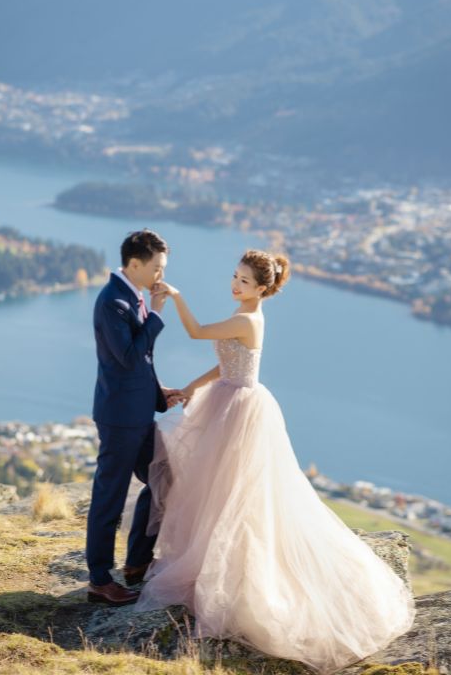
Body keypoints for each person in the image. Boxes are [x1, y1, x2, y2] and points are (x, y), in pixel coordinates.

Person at [135, 249, 414, 674]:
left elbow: (196, 332)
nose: (235, 285)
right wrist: (192, 387)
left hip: (240, 413)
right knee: (217, 492)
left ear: (263, 289)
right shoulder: (243, 315)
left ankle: (238, 578)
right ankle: (213, 563)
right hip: (228, 399)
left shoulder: (247, 319)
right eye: (234, 276)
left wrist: (174, 296)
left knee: (236, 497)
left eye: (244, 281)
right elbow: (226, 362)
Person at [85, 229, 185, 607]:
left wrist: (159, 396)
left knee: (164, 478)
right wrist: (157, 314)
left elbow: (140, 363)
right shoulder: (113, 301)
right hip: (119, 418)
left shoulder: (134, 296)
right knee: (108, 497)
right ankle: (98, 580)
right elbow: (128, 356)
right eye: (156, 267)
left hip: (139, 412)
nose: (161, 274)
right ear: (135, 264)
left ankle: (137, 562)